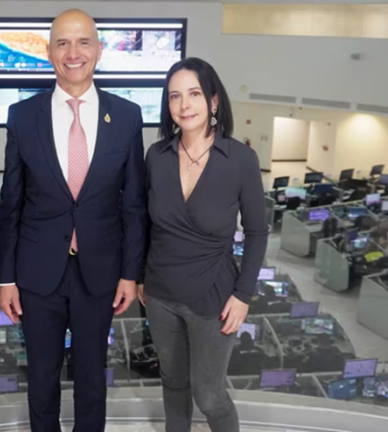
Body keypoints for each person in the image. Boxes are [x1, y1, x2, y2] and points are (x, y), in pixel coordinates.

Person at [0, 9, 147, 432]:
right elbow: (11, 203)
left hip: (100, 273)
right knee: (41, 378)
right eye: (62, 43)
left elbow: (134, 204)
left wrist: (131, 274)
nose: (73, 52)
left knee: (92, 378)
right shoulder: (23, 116)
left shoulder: (127, 116)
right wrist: (5, 278)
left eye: (83, 42)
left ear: (99, 50)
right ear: (48, 53)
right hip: (37, 273)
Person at [139, 57, 269, 432]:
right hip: (160, 292)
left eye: (194, 94)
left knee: (209, 395)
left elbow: (257, 232)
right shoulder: (156, 156)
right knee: (173, 381)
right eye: (174, 96)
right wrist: (139, 276)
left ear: (213, 101)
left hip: (214, 295)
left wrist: (243, 295)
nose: (184, 105)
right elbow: (145, 223)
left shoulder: (240, 159)